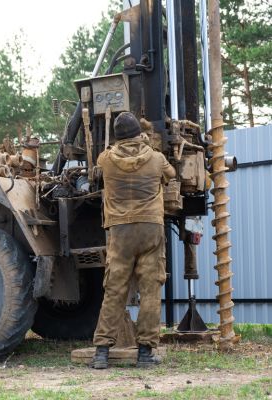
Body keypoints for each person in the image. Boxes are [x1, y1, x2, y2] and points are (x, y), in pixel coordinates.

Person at [91, 111, 175, 369]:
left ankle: (102, 352)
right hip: (150, 227)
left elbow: (96, 173)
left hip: (120, 231)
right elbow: (171, 175)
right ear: (139, 133)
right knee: (150, 290)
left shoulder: (105, 159)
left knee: (115, 290)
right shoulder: (157, 158)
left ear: (117, 136)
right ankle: (146, 354)